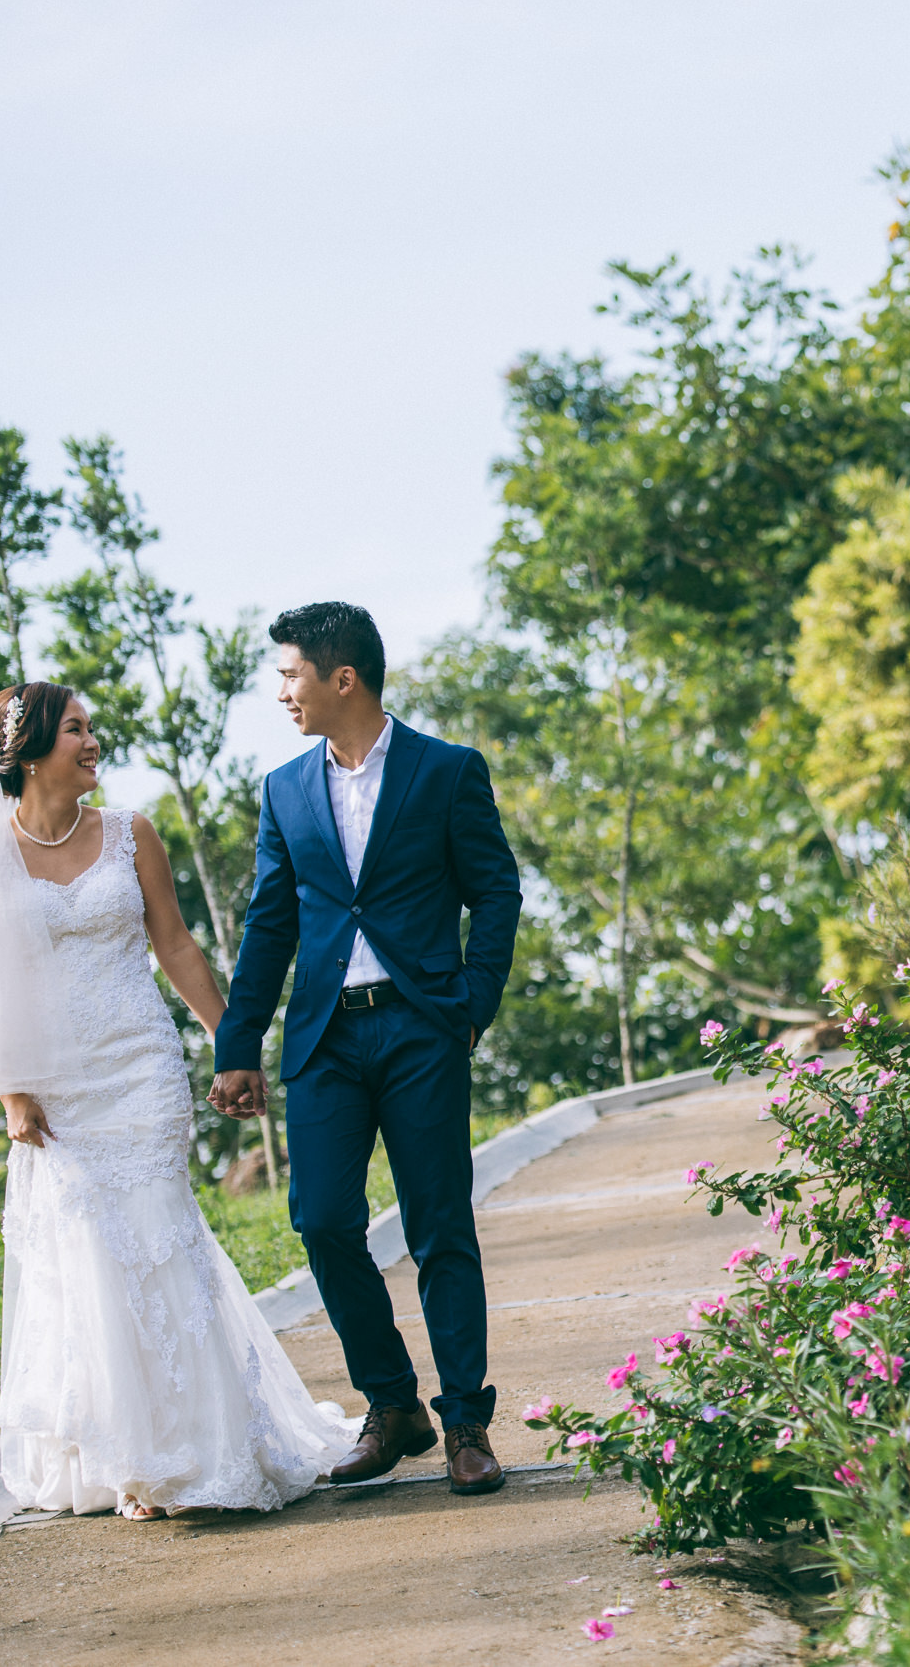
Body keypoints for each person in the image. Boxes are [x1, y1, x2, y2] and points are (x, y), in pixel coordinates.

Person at [0, 682, 351, 1522]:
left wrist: (234, 1044)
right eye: (77, 729)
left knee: (157, 1243)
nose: (93, 742)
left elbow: (174, 945)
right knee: (89, 1263)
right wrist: (12, 1092)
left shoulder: (129, 833)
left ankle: (201, 1447)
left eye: (92, 728)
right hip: (56, 1084)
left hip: (140, 1069)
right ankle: (130, 1459)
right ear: (32, 750)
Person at [208, 602, 522, 1495]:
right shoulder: (284, 789)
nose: (281, 693)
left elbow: (495, 894)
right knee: (323, 1223)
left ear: (342, 677)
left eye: (290, 674)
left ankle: (467, 1422)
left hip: (423, 1026)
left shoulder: (448, 772)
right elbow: (270, 924)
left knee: (438, 1225)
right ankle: (391, 1404)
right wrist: (240, 1043)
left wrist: (471, 1005)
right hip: (324, 1037)